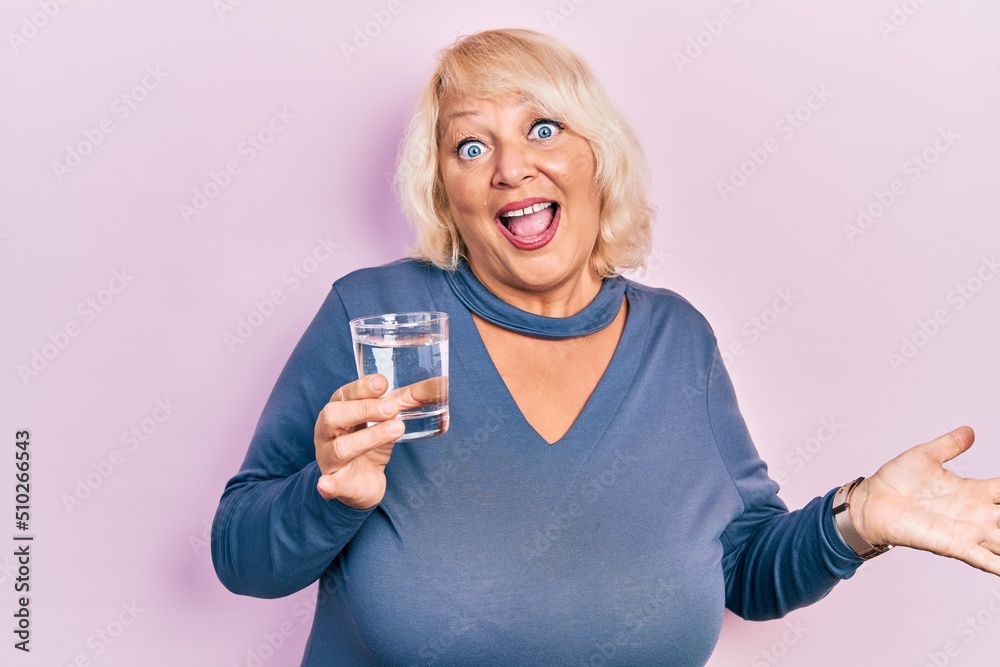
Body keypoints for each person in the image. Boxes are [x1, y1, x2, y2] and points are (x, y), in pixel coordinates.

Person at [211, 28, 1000, 666]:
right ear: (444, 191)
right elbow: (241, 556)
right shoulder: (375, 313)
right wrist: (326, 493)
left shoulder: (677, 340)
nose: (512, 167)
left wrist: (857, 517)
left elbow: (746, 568)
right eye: (471, 147)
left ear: (597, 157)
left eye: (542, 127)